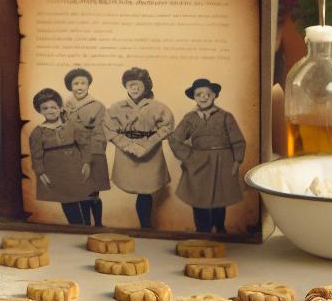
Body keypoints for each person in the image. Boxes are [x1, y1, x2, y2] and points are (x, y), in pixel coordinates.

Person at [167, 78, 246, 234]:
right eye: (199, 94)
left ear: (215, 95)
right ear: (194, 97)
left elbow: (238, 140)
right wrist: (189, 157)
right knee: (198, 196)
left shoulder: (226, 117)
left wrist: (237, 160)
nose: (203, 97)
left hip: (223, 162)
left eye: (207, 94)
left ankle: (220, 228)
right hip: (198, 163)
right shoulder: (190, 118)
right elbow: (174, 139)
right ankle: (202, 229)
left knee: (220, 196)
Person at [103, 67, 174, 229]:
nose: (134, 88)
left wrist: (146, 145)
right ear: (125, 87)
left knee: (146, 190)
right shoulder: (116, 108)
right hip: (126, 153)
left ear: (146, 86)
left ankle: (146, 226)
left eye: (138, 85)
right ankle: (145, 226)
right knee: (138, 189)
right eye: (130, 85)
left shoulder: (158, 107)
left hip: (150, 153)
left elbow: (166, 128)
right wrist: (127, 145)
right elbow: (109, 129)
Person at [27, 88, 93, 225]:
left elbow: (84, 144)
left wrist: (87, 162)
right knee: (67, 200)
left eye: (53, 107)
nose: (50, 110)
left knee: (82, 197)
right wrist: (40, 172)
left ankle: (87, 228)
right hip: (55, 171)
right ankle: (76, 228)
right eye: (45, 108)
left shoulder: (71, 125)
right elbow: (36, 155)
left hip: (75, 168)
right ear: (40, 110)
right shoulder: (37, 132)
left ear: (60, 107)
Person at [62, 67, 109, 226]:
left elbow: (100, 132)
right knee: (79, 191)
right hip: (72, 153)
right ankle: (85, 226)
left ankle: (98, 225)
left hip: (92, 150)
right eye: (76, 83)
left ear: (89, 85)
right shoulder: (64, 107)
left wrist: (93, 155)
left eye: (83, 83)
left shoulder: (97, 106)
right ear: (70, 86)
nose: (80, 86)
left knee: (93, 191)